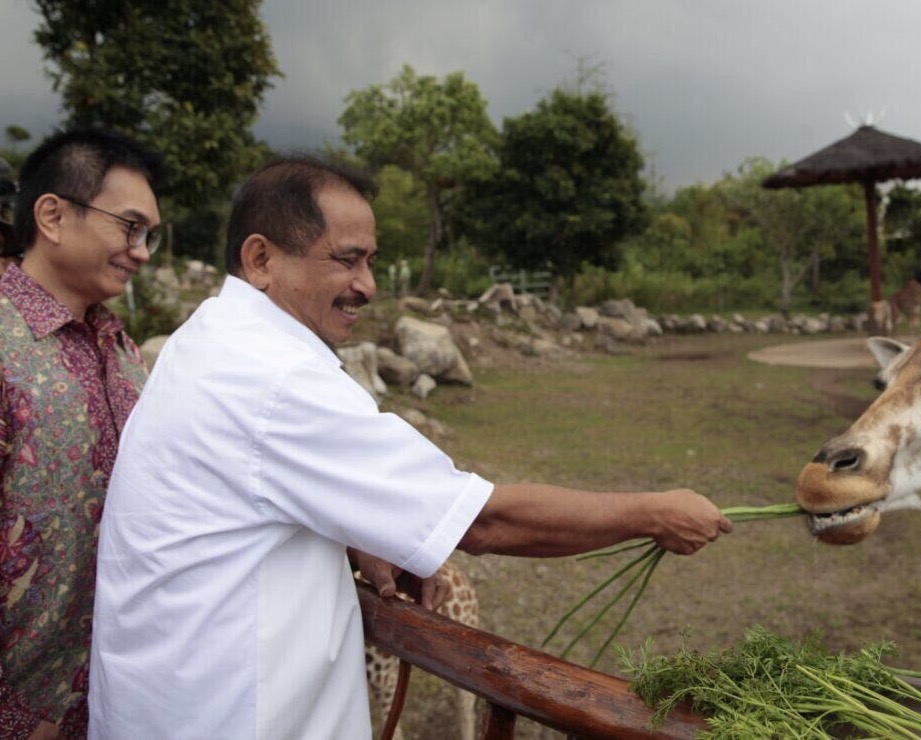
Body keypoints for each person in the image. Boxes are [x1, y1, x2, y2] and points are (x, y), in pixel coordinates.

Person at [87, 155, 732, 739]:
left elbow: (240, 486)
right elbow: (483, 523)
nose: (367, 285)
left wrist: (351, 527)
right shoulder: (278, 379)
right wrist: (653, 513)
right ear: (261, 259)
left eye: (370, 260)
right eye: (345, 259)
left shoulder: (209, 336)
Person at [0, 129, 165, 740]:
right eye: (129, 226)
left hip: (110, 699)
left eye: (150, 234)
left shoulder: (120, 348)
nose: (142, 251)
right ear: (52, 215)